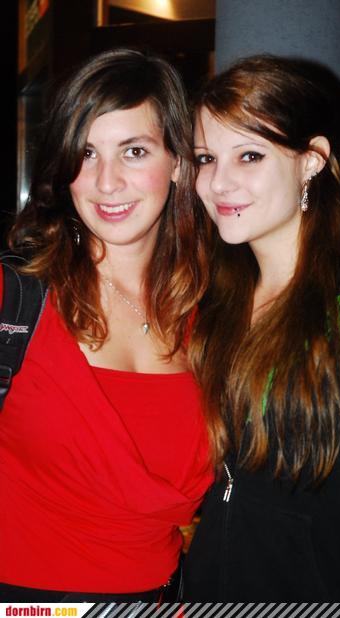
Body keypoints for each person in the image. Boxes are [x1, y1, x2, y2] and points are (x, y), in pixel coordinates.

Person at [184, 54, 340, 601]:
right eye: (206, 158)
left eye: (250, 155)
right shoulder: (211, 298)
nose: (219, 182)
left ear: (311, 161)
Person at [0, 47, 213, 602]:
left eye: (134, 151)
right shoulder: (13, 298)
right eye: (87, 152)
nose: (106, 181)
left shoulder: (212, 311)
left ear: (179, 162)